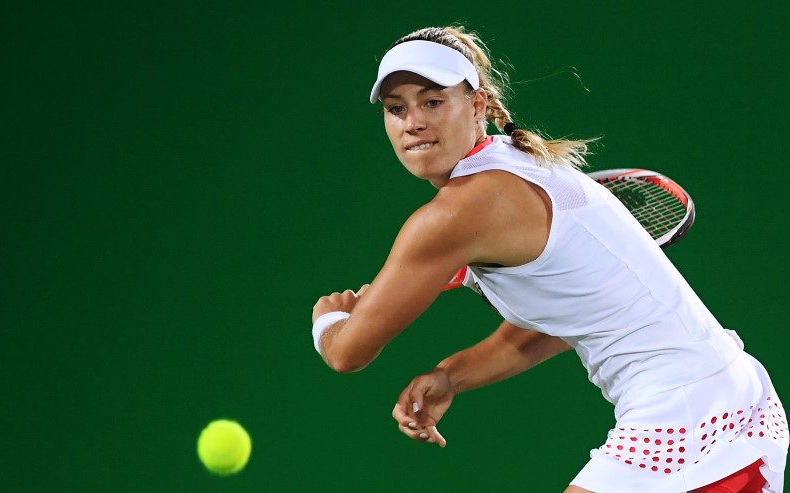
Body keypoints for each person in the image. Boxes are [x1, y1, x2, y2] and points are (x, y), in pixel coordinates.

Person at [310, 25, 788, 492]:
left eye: (433, 101)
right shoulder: (521, 164)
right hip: (732, 403)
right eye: (397, 109)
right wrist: (450, 375)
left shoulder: (458, 211)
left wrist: (330, 321)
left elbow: (348, 353)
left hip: (690, 421)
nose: (413, 122)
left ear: (476, 105)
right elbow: (566, 321)